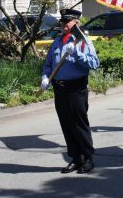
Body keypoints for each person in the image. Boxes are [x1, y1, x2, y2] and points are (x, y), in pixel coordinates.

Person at [41, 9, 100, 173]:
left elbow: (94, 63)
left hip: (76, 88)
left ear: (76, 23)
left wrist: (77, 53)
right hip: (59, 88)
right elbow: (48, 64)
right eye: (62, 21)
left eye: (68, 21)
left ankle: (88, 157)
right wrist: (45, 78)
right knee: (66, 124)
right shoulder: (57, 42)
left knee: (79, 124)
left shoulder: (83, 41)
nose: (64, 24)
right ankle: (75, 158)